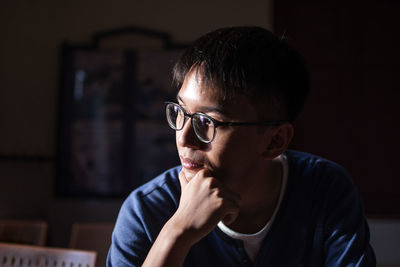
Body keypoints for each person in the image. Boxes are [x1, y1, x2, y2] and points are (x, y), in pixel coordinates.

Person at [107, 26, 376, 266]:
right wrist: (177, 233)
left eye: (207, 121)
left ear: (275, 140)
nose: (184, 138)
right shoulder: (146, 210)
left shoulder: (325, 190)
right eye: (181, 112)